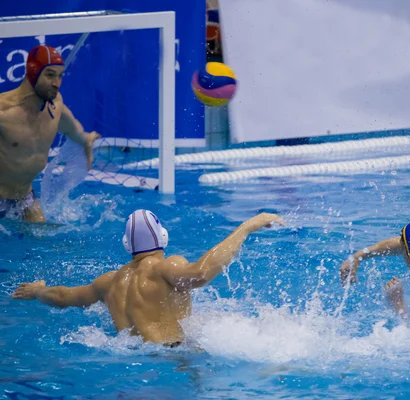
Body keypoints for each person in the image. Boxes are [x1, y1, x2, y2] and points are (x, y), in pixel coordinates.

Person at [12, 210, 284, 346]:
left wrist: (37, 291)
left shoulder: (108, 283)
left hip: (131, 357)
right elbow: (201, 273)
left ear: (126, 245)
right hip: (176, 355)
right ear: (163, 237)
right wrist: (249, 226)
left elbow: (62, 297)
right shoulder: (167, 267)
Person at [0, 45, 100, 222]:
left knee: (44, 240)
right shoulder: (4, 111)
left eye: (60, 76)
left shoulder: (55, 104)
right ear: (32, 72)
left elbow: (73, 129)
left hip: (25, 197)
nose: (57, 83)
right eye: (50, 75)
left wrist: (86, 141)